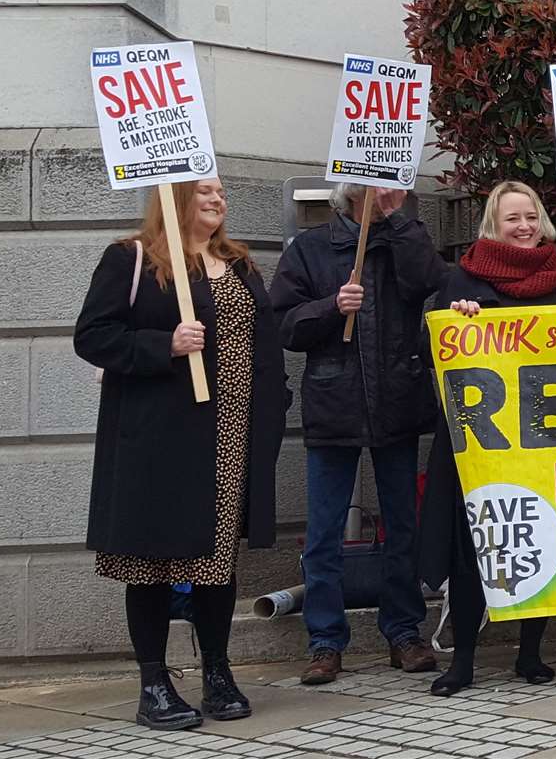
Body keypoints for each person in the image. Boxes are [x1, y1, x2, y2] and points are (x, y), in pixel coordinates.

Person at [75, 178, 287, 731]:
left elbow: (261, 345)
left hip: (230, 438)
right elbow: (92, 336)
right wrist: (161, 344)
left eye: (222, 194)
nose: (218, 200)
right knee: (151, 560)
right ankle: (154, 682)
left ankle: (217, 672)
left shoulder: (240, 266)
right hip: (161, 439)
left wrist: (274, 404)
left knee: (216, 563)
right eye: (206, 191)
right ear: (175, 198)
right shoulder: (132, 259)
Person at [270, 184, 446, 685]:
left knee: (402, 525)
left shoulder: (404, 238)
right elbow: (284, 323)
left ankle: (404, 632)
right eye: (380, 186)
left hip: (397, 399)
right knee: (324, 532)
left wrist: (399, 223)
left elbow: (429, 283)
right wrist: (331, 307)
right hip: (335, 403)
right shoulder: (311, 248)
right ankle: (325, 642)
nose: (390, 192)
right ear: (350, 193)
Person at [419, 181, 556, 696]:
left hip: (543, 434)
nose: (524, 227)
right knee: (476, 546)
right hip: (481, 441)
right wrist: (459, 322)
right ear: (493, 224)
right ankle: (463, 659)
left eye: (531, 216)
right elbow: (434, 355)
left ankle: (531, 653)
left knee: (539, 537)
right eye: (513, 218)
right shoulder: (460, 281)